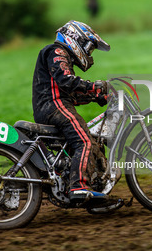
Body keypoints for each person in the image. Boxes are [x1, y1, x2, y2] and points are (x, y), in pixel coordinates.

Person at [32, 20, 110, 202]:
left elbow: (71, 94)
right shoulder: (57, 51)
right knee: (84, 141)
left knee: (93, 142)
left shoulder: (61, 56)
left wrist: (99, 97)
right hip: (54, 106)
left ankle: (91, 187)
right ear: (75, 38)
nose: (89, 53)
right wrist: (95, 86)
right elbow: (67, 81)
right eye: (89, 48)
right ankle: (78, 186)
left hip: (54, 105)